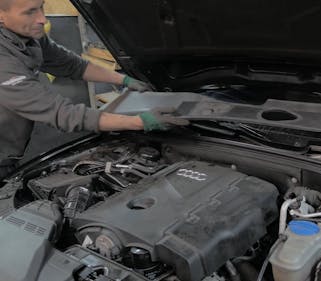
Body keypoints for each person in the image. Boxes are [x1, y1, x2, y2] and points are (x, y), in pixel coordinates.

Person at [0, 0, 188, 180]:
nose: (43, 19)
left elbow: (72, 65)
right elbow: (61, 113)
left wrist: (124, 79)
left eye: (41, 7)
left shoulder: (29, 37)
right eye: (30, 12)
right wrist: (141, 122)